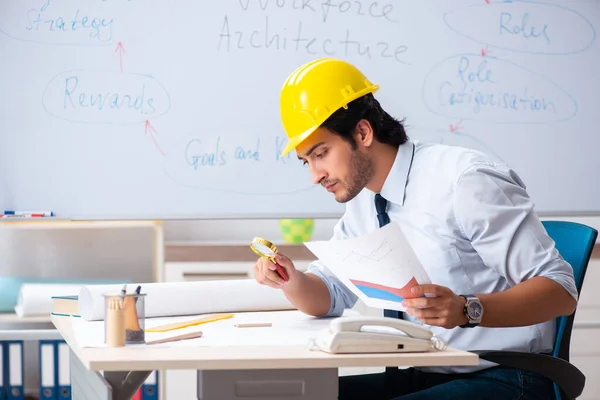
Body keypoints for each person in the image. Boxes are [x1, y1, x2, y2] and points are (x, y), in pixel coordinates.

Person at [252, 58, 578, 400]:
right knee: (295, 395)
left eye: (321, 153)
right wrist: (291, 279)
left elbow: (560, 291)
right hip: (424, 371)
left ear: (362, 133)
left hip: (504, 374)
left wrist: (467, 309)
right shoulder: (364, 200)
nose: (315, 175)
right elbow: (331, 295)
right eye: (307, 161)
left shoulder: (465, 181)